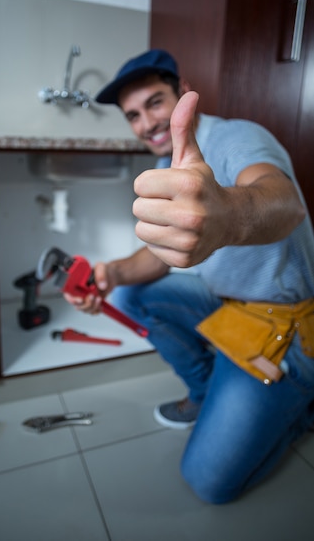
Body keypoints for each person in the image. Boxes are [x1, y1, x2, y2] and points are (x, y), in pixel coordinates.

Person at [64, 49, 314, 504]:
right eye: (133, 115)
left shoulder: (237, 136)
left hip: (286, 322)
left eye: (155, 103)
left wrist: (229, 219)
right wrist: (112, 273)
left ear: (182, 91)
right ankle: (206, 392)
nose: (147, 123)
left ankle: (301, 409)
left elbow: (284, 202)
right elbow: (159, 259)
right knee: (128, 295)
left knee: (208, 482)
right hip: (227, 300)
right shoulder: (168, 164)